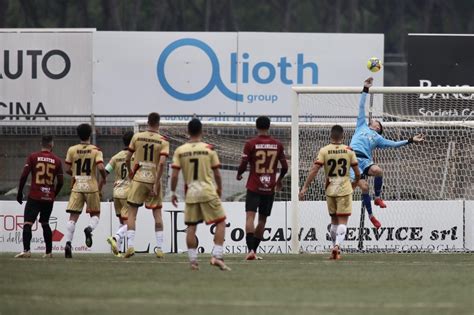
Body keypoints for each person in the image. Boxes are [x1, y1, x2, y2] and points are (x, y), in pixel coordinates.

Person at [350, 77, 424, 229]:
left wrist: (410, 140)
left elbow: (395, 144)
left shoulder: (378, 138)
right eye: (375, 121)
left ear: (378, 128)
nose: (376, 122)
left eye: (378, 123)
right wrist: (365, 88)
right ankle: (371, 216)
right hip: (351, 159)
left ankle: (377, 198)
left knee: (378, 170)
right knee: (363, 188)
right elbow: (361, 107)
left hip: (365, 161)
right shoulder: (361, 126)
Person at [170, 118, 230, 271]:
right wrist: (220, 189)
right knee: (221, 222)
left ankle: (193, 261)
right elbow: (217, 173)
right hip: (208, 191)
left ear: (187, 132)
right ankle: (216, 256)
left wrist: (172, 192)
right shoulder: (209, 149)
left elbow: (175, 175)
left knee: (191, 227)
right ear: (202, 131)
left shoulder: (180, 151)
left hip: (191, 193)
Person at [299, 125, 360, 260]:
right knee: (343, 221)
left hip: (330, 190)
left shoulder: (324, 150)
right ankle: (337, 246)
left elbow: (315, 169)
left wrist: (305, 187)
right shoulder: (349, 150)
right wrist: (354, 185)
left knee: (333, 221)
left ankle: (333, 247)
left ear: (330, 136)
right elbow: (357, 173)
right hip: (344, 189)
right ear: (343, 136)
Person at [236, 116, 288, 260]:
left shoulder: (250, 143)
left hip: (254, 186)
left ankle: (250, 250)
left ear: (256, 126)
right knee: (262, 220)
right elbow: (285, 167)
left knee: (249, 217)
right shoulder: (277, 144)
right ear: (269, 126)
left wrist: (239, 174)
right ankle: (255, 251)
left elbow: (244, 162)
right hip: (269, 187)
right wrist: (279, 180)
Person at [124, 112, 169, 259]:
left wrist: (131, 172)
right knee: (157, 215)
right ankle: (160, 248)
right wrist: (156, 183)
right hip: (153, 180)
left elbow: (127, 158)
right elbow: (162, 163)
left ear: (147, 122)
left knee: (132, 214)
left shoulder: (136, 137)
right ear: (159, 123)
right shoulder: (163, 140)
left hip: (138, 179)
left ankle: (130, 246)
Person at [15, 135, 64, 258]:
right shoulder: (57, 160)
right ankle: (48, 252)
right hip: (48, 197)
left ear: (41, 144)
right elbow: (61, 182)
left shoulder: (33, 157)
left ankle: (26, 251)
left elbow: (24, 176)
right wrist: (53, 194)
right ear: (51, 144)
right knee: (45, 223)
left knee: (27, 223)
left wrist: (20, 192)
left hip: (35, 196)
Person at [64, 123, 107, 258]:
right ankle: (89, 229)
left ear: (78, 135)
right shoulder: (96, 150)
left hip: (77, 187)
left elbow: (67, 168)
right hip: (91, 187)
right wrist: (104, 178)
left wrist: (76, 174)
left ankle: (68, 243)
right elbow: (100, 167)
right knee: (95, 215)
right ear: (90, 135)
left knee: (73, 217)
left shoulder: (72, 150)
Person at [105, 131, 134, 257]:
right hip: (128, 192)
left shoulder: (116, 157)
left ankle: (119, 251)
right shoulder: (134, 156)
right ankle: (115, 238)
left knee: (122, 222)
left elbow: (105, 171)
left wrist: (101, 184)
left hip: (116, 192)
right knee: (130, 223)